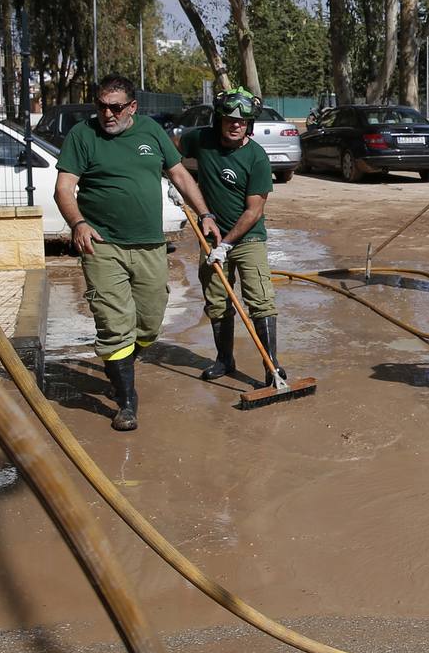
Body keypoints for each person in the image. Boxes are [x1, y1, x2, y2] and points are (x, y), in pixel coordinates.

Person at [54, 74, 219, 432]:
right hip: (102, 246)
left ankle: (128, 355)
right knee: (114, 325)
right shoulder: (83, 135)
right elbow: (64, 188)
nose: (107, 114)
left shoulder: (150, 132)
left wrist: (205, 213)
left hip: (149, 244)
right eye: (101, 107)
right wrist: (78, 223)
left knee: (150, 321)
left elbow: (180, 176)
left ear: (132, 107)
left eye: (115, 108)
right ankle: (127, 401)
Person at [178, 86, 287, 387]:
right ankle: (224, 359)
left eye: (242, 121)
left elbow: (254, 211)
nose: (235, 125)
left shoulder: (257, 158)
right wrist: (170, 180)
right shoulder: (200, 139)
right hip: (210, 237)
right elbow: (171, 154)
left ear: (249, 124)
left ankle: (271, 365)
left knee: (261, 299)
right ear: (219, 119)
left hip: (247, 238)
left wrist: (227, 244)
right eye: (229, 120)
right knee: (217, 301)